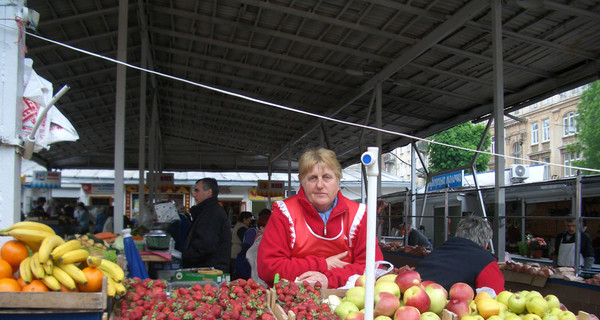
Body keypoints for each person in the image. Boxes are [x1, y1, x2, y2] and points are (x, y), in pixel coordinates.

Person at [257, 147, 384, 289]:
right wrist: (323, 264)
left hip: (346, 303)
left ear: (338, 180)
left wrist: (329, 279)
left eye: (327, 177)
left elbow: (373, 269)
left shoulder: (359, 215)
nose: (319, 185)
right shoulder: (284, 213)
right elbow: (267, 268)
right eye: (312, 178)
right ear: (302, 182)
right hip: (288, 301)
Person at [415, 215, 505, 295]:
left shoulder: (438, 251)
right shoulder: (485, 261)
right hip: (450, 310)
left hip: (414, 301)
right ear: (486, 244)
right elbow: (497, 298)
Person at [182, 178, 231, 272]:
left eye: (197, 190)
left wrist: (187, 258)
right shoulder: (205, 212)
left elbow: (205, 244)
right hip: (205, 269)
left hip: (208, 272)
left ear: (209, 192)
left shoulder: (212, 213)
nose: (194, 194)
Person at [246, 212, 272, 286]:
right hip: (259, 278)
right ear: (261, 227)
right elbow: (250, 255)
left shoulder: (261, 238)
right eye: (269, 226)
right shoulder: (261, 239)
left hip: (258, 277)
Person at [231, 211, 253, 277]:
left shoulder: (239, 225)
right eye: (249, 219)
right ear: (244, 219)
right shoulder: (242, 228)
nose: (250, 221)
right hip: (236, 252)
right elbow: (245, 240)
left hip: (234, 252)